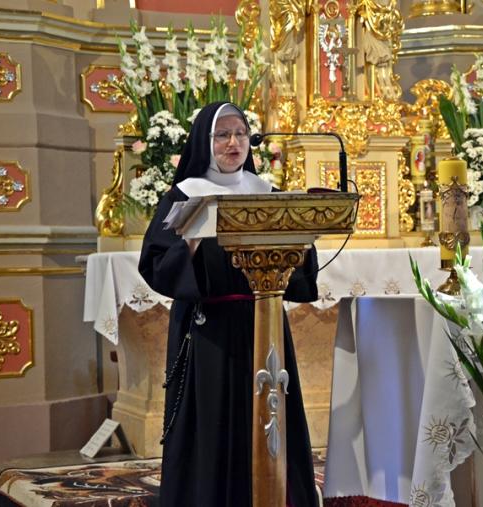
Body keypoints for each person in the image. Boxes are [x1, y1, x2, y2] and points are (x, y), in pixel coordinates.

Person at [138, 101, 319, 507]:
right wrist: (189, 241)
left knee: (270, 416)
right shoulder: (186, 195)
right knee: (213, 424)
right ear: (205, 142)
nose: (233, 143)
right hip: (210, 331)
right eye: (223, 135)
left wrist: (303, 239)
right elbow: (155, 264)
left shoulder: (267, 193)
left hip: (263, 320)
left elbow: (300, 268)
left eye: (240, 134)